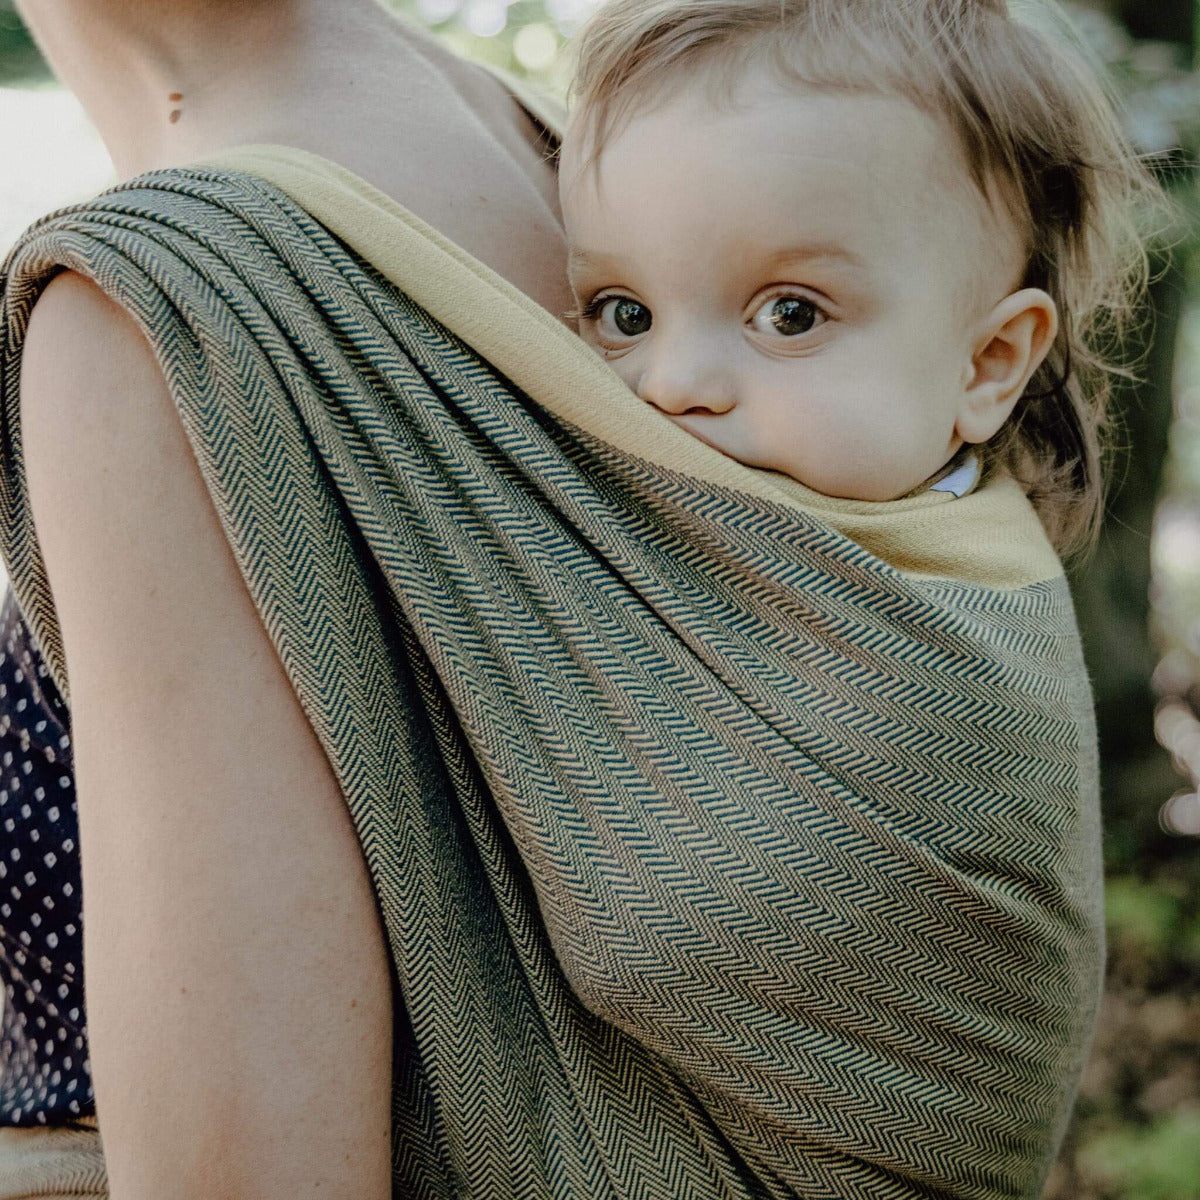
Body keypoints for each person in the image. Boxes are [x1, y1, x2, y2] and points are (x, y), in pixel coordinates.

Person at [0, 2, 1140, 1198]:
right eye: (623, 321)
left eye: (791, 317)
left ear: (992, 361)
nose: (673, 385)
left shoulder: (162, 318)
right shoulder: (577, 151)